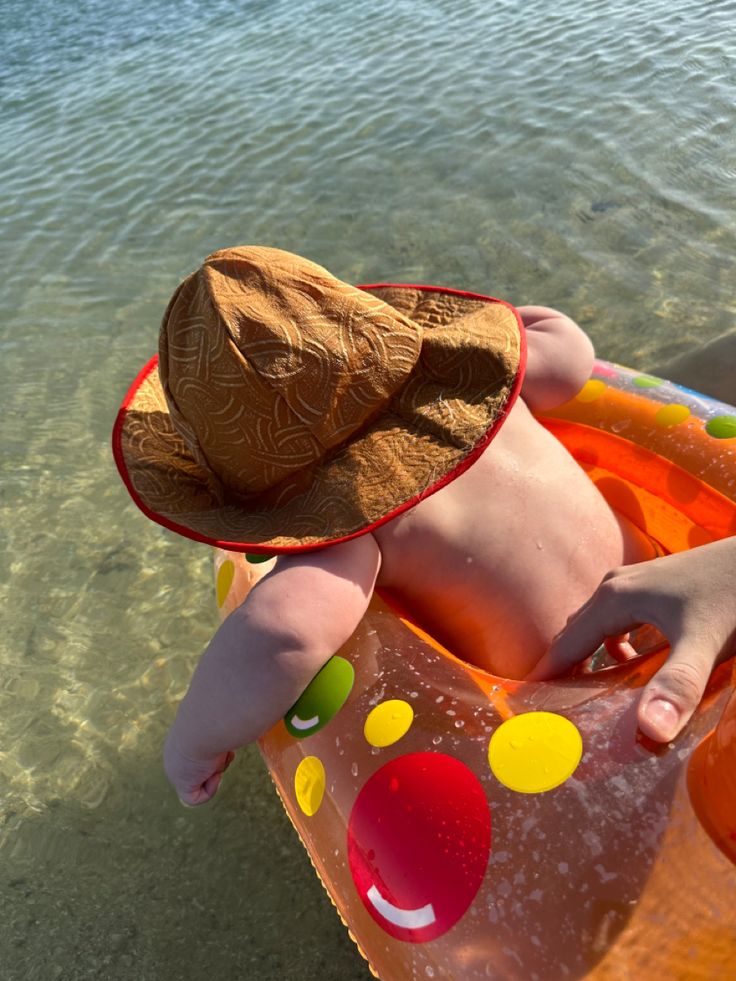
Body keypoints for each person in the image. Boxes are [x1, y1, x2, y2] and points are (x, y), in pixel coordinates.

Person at [110, 246, 703, 805]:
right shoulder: (489, 385)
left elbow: (282, 636)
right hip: (669, 591)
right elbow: (568, 355)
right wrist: (472, 334)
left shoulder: (353, 525)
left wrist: (192, 744)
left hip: (571, 697)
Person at [530, 336, 736, 744]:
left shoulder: (380, 529)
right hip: (659, 591)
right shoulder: (506, 388)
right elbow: (567, 354)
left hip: (572, 656)